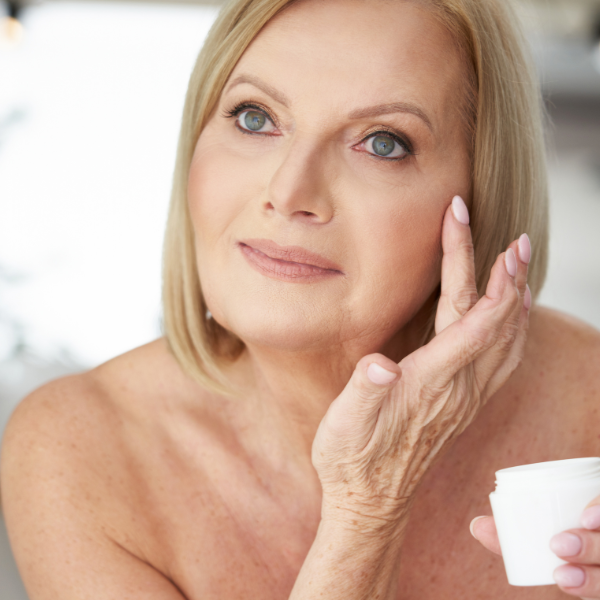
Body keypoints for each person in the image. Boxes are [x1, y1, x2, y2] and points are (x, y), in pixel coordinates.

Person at [1, 0, 599, 597]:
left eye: (383, 143)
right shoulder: (77, 453)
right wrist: (369, 506)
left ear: (481, 191)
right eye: (255, 117)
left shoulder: (589, 403)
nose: (290, 192)